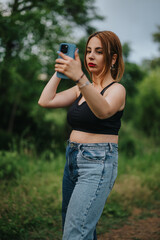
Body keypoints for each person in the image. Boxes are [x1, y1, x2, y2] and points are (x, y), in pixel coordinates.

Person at [38, 31, 126, 240]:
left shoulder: (117, 90)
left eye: (99, 52)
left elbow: (103, 111)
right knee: (78, 227)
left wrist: (79, 76)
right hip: (73, 160)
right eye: (88, 51)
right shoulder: (81, 90)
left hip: (97, 164)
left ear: (113, 58)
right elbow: (45, 101)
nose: (90, 57)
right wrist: (61, 70)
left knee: (75, 232)